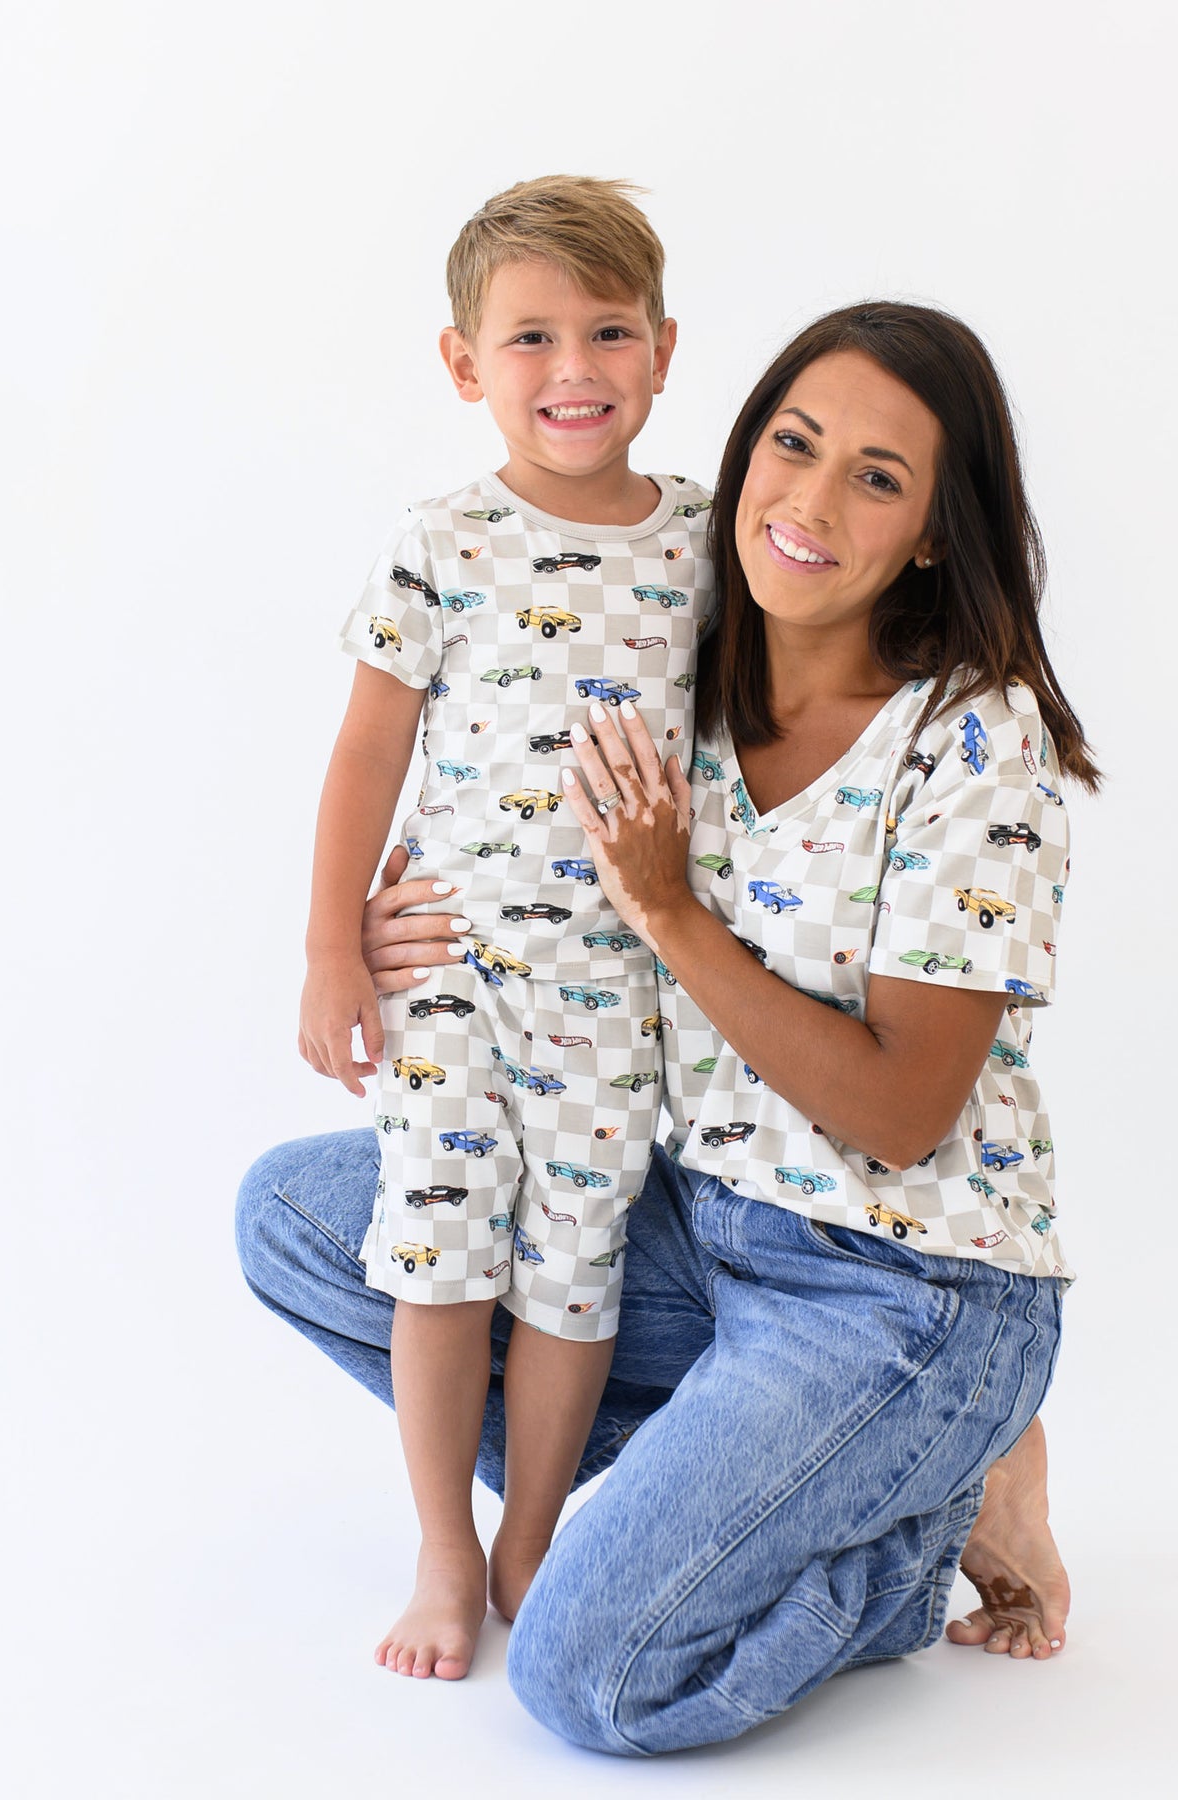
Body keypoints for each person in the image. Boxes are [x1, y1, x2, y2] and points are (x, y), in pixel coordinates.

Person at [240, 298, 1094, 1751]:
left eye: (877, 479)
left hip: (899, 1284)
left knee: (591, 1677)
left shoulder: (974, 739)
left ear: (935, 532)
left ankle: (916, 1523)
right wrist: (395, 922)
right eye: (795, 444)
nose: (811, 502)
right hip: (695, 1230)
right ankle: (775, 1482)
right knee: (300, 1220)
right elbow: (483, 785)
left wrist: (670, 913)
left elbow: (901, 1116)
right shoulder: (680, 659)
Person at [297, 174, 713, 1681]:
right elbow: (367, 750)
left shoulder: (709, 549)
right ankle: (442, 1545)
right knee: (437, 1253)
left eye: (609, 332)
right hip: (454, 963)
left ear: (665, 349)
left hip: (619, 986)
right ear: (466, 365)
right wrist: (334, 943)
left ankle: (534, 1529)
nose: (576, 371)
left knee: (573, 1265)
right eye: (531, 339)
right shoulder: (446, 539)